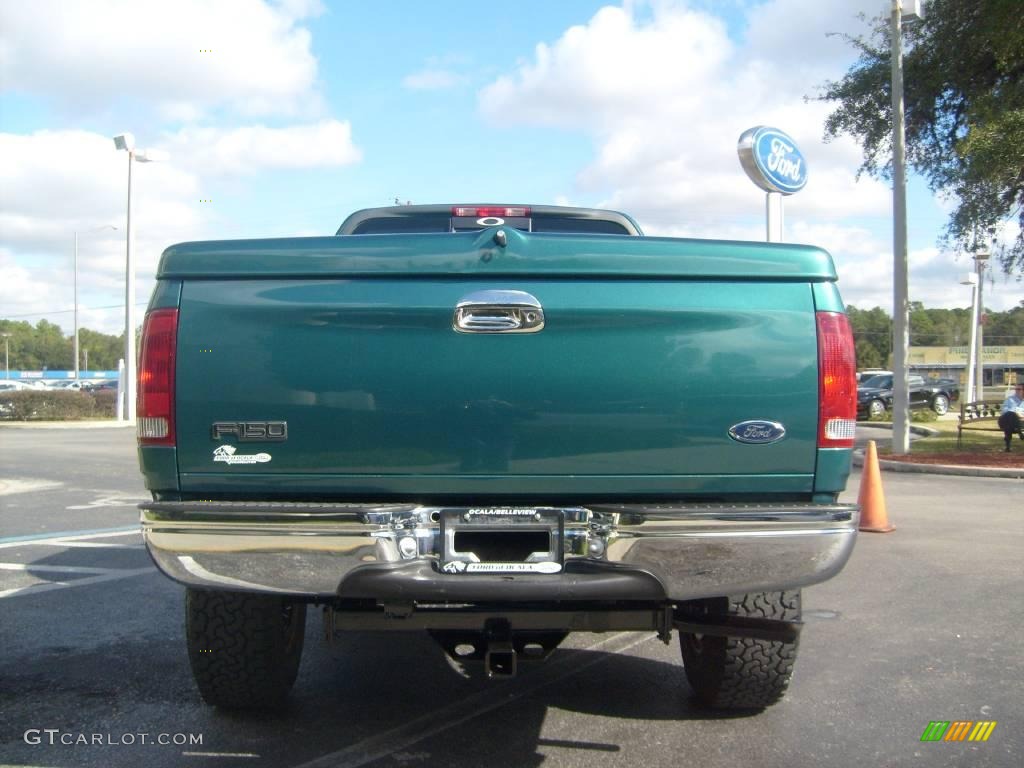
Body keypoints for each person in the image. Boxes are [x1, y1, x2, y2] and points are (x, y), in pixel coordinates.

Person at [997, 384, 1024, 452]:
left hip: (1019, 422)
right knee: (1010, 414)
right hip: (1005, 419)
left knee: (1009, 425)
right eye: (1016, 389)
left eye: (1019, 389)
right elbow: (1004, 410)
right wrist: (1014, 412)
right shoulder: (1010, 399)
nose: (1016, 391)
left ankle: (1007, 447)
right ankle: (1020, 432)